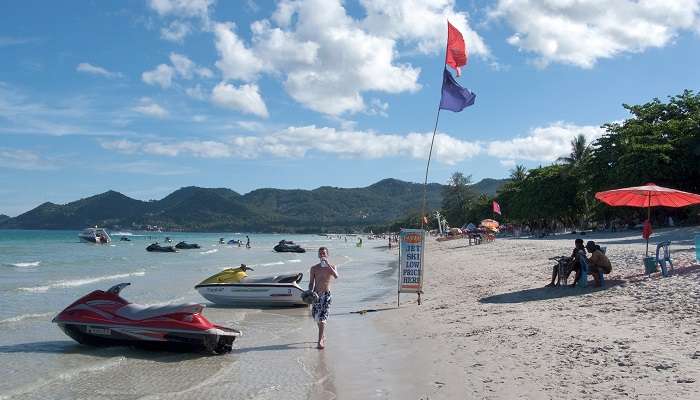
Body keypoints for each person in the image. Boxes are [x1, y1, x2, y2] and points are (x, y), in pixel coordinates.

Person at [308, 246, 338, 349]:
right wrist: (309, 291)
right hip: (316, 295)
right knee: (316, 318)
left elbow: (336, 276)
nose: (322, 255)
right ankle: (322, 335)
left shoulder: (332, 266)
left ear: (327, 255)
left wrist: (328, 265)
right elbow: (311, 283)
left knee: (322, 319)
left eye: (324, 253)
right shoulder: (314, 268)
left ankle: (320, 341)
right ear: (318, 255)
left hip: (326, 295)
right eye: (320, 254)